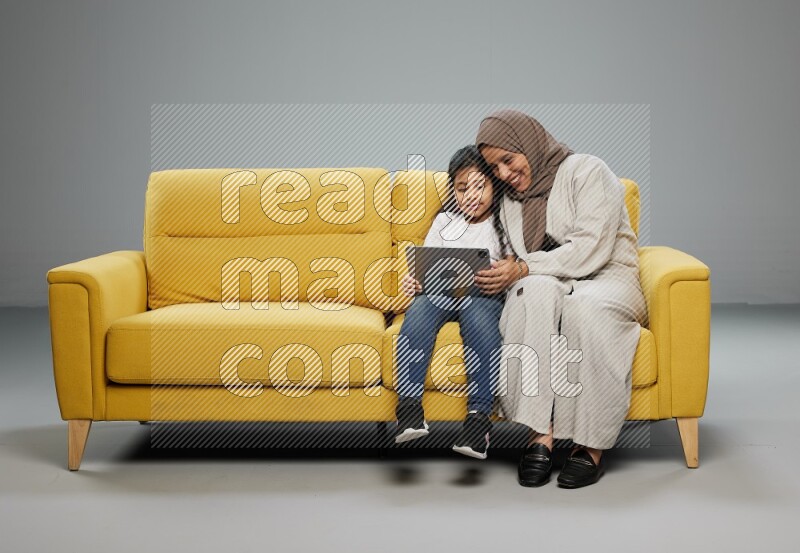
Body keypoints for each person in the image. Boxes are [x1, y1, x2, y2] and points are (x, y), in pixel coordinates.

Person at [473, 110, 648, 488]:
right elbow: (512, 258)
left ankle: (590, 446)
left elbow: (591, 248)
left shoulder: (587, 171)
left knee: (583, 308)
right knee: (530, 294)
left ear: (529, 144)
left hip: (606, 276)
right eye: (495, 168)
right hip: (551, 279)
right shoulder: (509, 200)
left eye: (508, 160)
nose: (504, 173)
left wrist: (523, 267)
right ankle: (540, 433)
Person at [394, 145, 514, 459]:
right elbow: (424, 268)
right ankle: (409, 409)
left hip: (483, 296)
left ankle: (478, 420)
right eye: (462, 189)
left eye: (479, 186)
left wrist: (502, 272)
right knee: (419, 309)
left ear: (494, 185)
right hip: (440, 293)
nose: (471, 195)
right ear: (453, 191)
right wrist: (413, 283)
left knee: (479, 317)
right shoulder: (444, 222)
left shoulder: (503, 222)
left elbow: (513, 268)